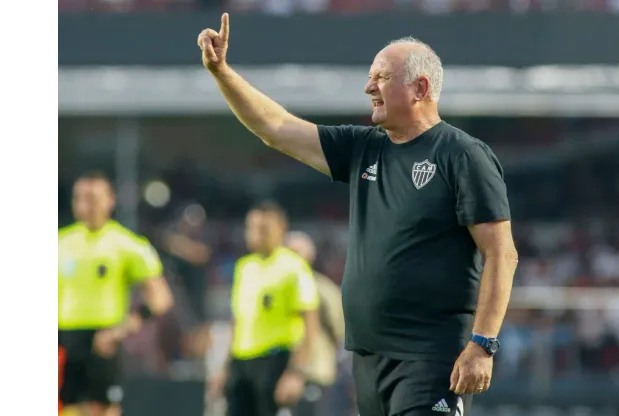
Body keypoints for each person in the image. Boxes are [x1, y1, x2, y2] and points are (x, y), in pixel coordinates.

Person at [198, 16, 519, 415]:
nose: (369, 87)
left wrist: (483, 344)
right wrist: (222, 72)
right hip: (368, 358)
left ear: (420, 88)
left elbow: (501, 253)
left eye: (381, 77)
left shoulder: (463, 155)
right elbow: (275, 128)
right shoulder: (364, 148)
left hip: (431, 355)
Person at [58, 172, 174, 416]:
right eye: (80, 197)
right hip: (64, 340)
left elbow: (161, 298)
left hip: (103, 339)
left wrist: (120, 330)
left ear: (110, 200)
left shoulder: (127, 244)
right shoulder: (60, 242)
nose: (87, 204)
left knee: (104, 409)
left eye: (93, 197)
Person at [207, 202, 320, 416]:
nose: (257, 234)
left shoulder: (294, 267)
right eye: (252, 228)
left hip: (275, 360)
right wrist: (224, 366)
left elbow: (310, 324)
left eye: (264, 228)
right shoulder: (244, 267)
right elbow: (237, 320)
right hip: (241, 362)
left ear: (281, 228)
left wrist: (295, 373)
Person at [285, 231, 346, 416]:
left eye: (296, 252)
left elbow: (340, 330)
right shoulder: (276, 287)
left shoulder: (323, 289)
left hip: (315, 370)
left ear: (309, 256)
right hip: (282, 368)